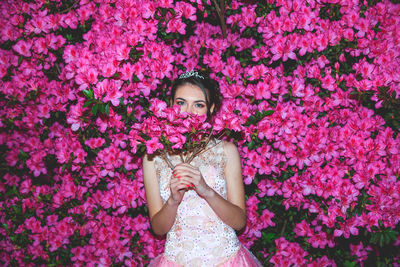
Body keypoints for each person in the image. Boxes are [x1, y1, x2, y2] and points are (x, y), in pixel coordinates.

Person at [143, 70, 262, 267]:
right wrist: (173, 200)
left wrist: (207, 191)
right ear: (170, 105)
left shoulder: (225, 151)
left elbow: (239, 222)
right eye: (181, 102)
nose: (188, 111)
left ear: (211, 108)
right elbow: (158, 228)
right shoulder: (153, 156)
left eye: (198, 104)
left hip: (227, 260)